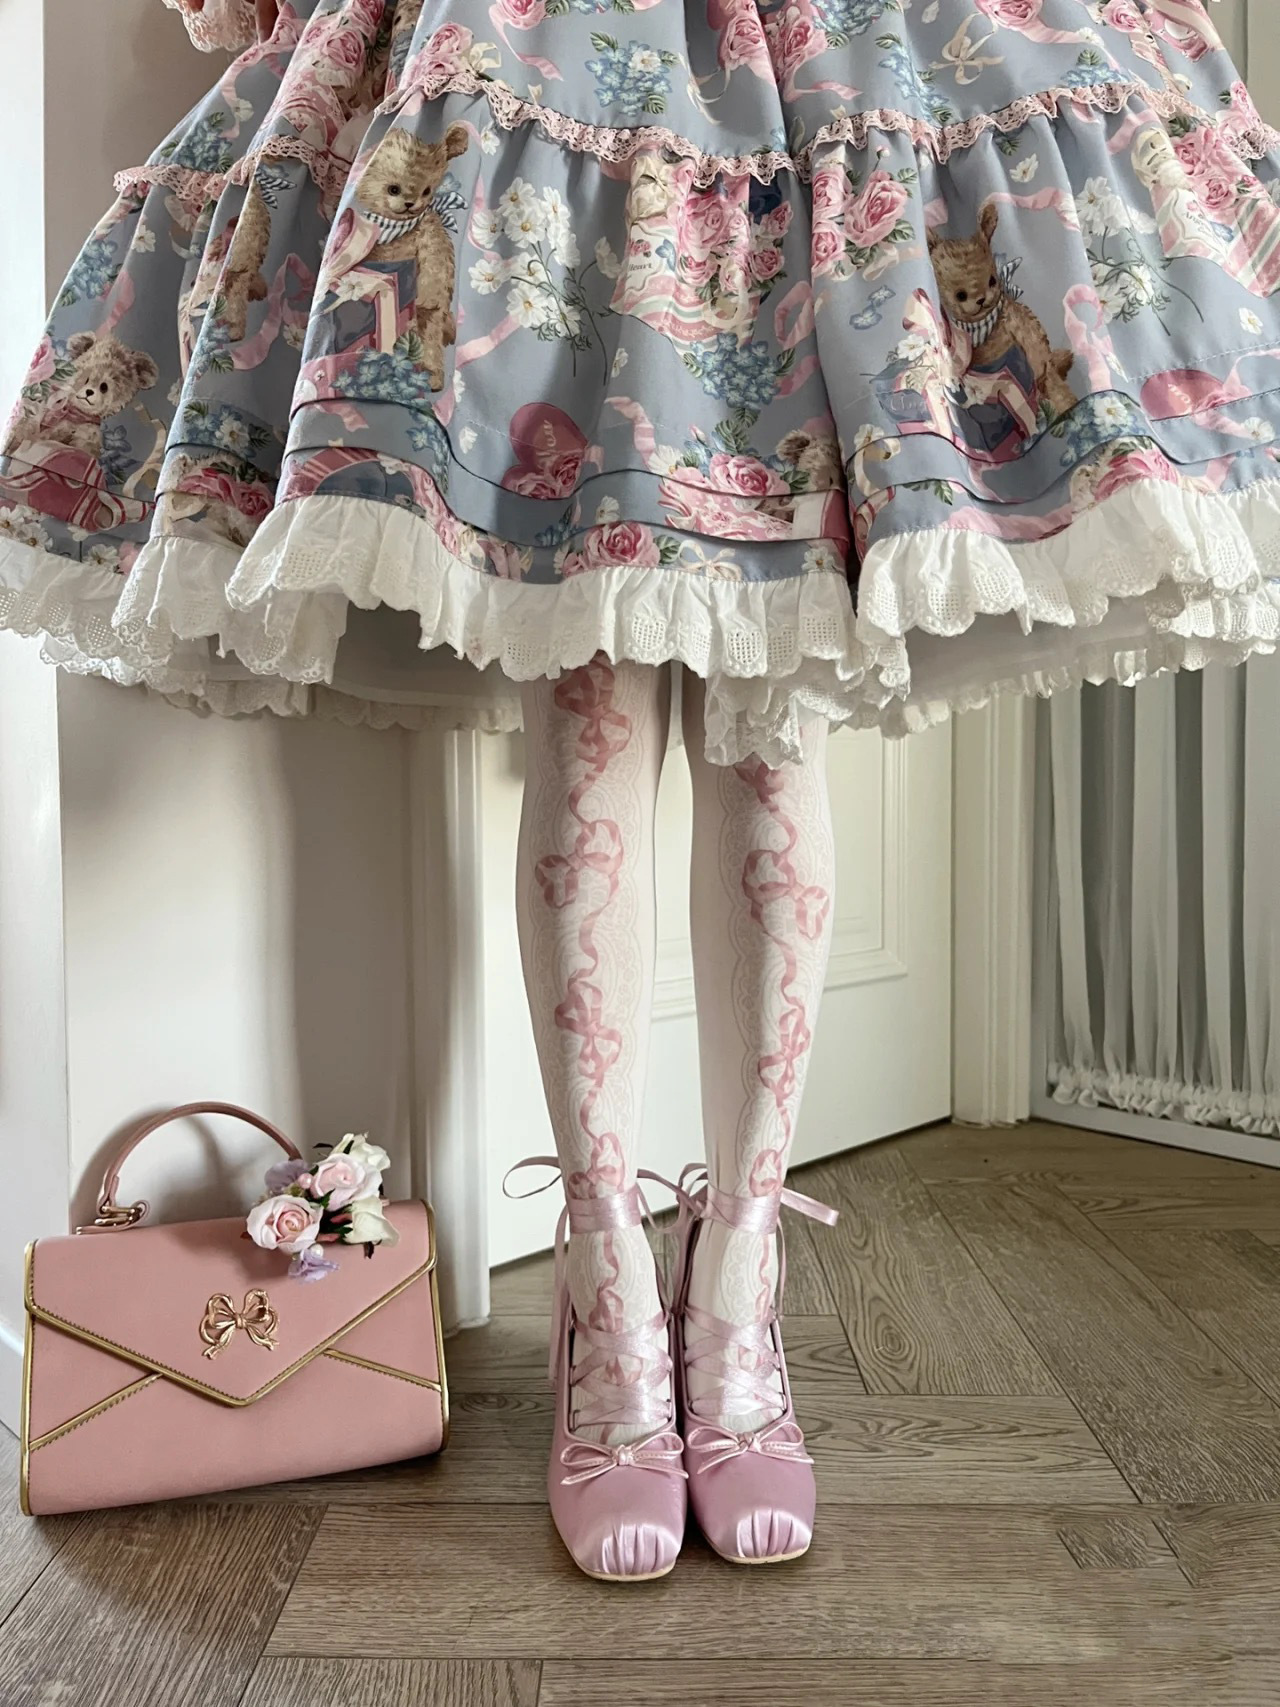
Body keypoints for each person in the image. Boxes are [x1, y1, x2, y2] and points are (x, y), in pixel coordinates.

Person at [1, 0, 1277, 1578]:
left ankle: (739, 1293)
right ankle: (608, 1298)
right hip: (561, 70)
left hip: (816, 89)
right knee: (591, 707)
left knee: (772, 706)